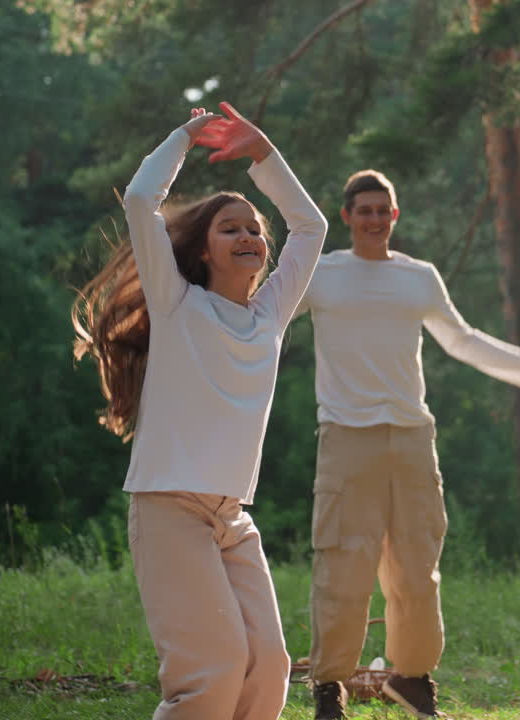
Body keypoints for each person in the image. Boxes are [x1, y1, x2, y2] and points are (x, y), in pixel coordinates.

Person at [296, 169, 520, 720]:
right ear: (346, 217)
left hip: (411, 440)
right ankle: (329, 688)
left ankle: (411, 679)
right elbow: (261, 318)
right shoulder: (320, 276)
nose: (375, 220)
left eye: (384, 210)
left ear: (395, 216)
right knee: (342, 566)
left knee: (416, 569)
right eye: (365, 210)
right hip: (346, 440)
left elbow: (461, 339)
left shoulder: (418, 277)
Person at [72, 102, 328, 719]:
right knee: (209, 680)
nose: (247, 236)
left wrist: (263, 151)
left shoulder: (269, 314)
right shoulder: (177, 302)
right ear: (205, 249)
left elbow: (311, 228)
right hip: (169, 511)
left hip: (232, 516)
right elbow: (140, 201)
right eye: (230, 228)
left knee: (269, 669)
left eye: (253, 229)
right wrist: (185, 136)